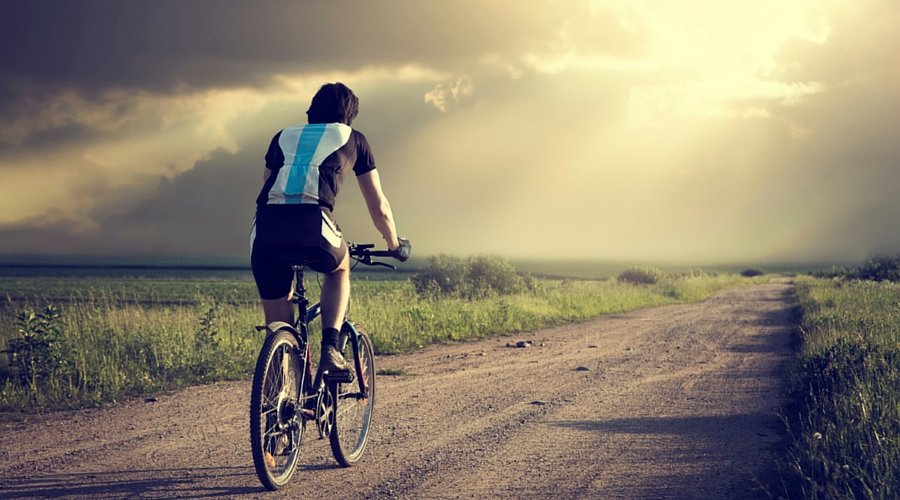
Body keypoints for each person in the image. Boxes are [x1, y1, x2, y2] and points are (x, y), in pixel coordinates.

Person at [250, 82, 410, 374]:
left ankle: (278, 405)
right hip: (313, 221)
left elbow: (267, 184)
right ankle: (331, 351)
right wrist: (394, 244)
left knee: (278, 327)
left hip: (266, 227)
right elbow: (379, 207)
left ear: (312, 110)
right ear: (349, 115)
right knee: (339, 269)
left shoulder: (281, 136)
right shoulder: (355, 139)